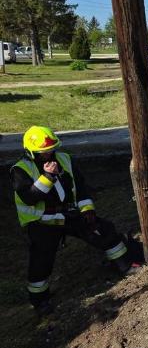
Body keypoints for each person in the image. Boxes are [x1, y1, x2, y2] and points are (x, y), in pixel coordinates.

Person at [11, 126, 140, 315]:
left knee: (103, 230)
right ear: (31, 152)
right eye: (43, 152)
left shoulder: (65, 159)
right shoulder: (20, 170)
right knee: (41, 260)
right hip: (42, 222)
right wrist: (47, 177)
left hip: (69, 214)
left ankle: (123, 265)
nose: (49, 154)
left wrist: (88, 210)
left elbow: (80, 188)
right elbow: (29, 197)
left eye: (51, 150)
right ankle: (40, 300)